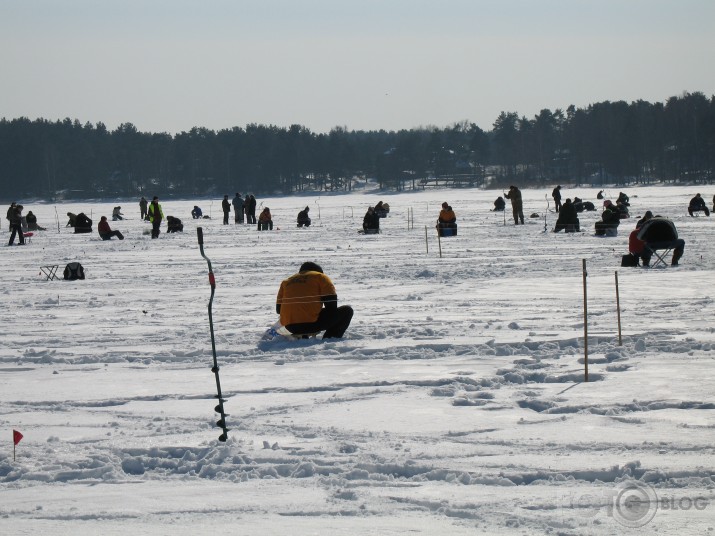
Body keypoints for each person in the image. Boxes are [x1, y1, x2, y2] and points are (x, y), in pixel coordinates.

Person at [276, 262, 353, 339]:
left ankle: (302, 335)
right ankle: (330, 338)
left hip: (290, 327)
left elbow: (279, 310)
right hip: (311, 325)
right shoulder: (321, 277)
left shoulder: (286, 282)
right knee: (347, 311)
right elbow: (331, 307)